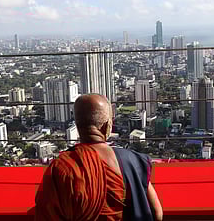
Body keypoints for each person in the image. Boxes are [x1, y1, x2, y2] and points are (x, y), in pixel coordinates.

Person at [35, 94, 163, 221]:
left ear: (78, 126)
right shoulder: (133, 162)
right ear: (107, 125)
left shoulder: (61, 168)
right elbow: (156, 212)